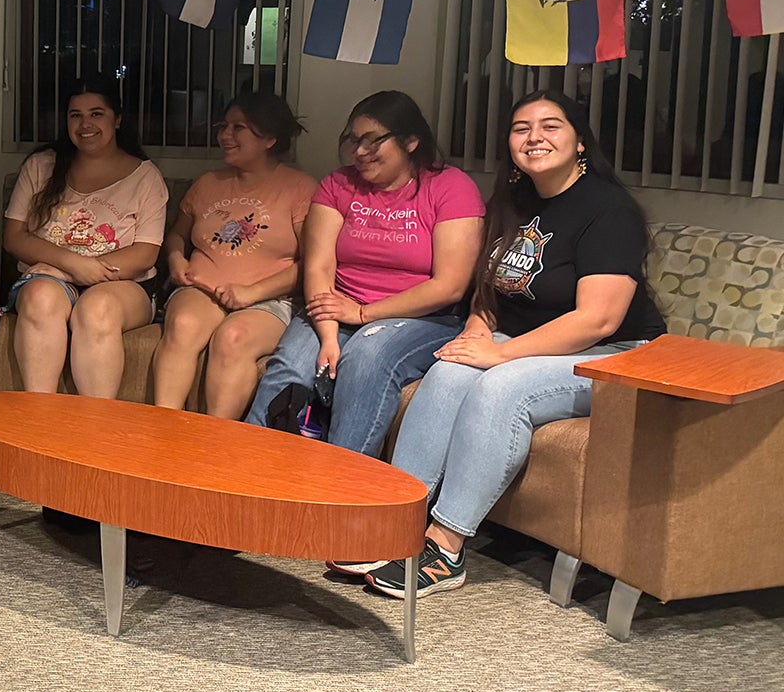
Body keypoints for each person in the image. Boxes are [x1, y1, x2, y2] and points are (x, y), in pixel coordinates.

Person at [352, 91, 666, 597]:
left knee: (502, 387)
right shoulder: (514, 200)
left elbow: (599, 319)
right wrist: (478, 327)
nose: (534, 137)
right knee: (450, 367)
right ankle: (395, 519)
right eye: (521, 128)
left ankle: (446, 546)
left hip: (615, 355)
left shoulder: (609, 209)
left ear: (580, 141)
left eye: (551, 126)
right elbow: (492, 288)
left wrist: (498, 353)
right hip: (530, 341)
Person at [244, 91, 485, 456]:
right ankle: (248, 478)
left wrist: (362, 314)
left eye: (373, 140)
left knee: (367, 356)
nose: (359, 152)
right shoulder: (338, 185)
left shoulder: (451, 187)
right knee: (291, 365)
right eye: (354, 141)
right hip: (336, 309)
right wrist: (327, 335)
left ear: (411, 141)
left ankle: (341, 488)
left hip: (422, 316)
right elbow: (320, 265)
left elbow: (449, 286)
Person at [151, 93, 317, 417]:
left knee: (234, 337)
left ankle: (216, 447)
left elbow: (313, 264)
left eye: (238, 128)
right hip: (201, 288)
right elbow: (176, 235)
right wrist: (176, 259)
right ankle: (162, 430)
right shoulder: (208, 183)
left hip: (271, 299)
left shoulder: (300, 188)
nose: (224, 136)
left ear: (269, 138)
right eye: (223, 126)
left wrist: (251, 292)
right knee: (183, 324)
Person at [4, 75, 169, 398]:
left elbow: (145, 255)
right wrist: (69, 264)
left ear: (117, 120)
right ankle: (39, 422)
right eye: (75, 115)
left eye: (97, 114)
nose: (85, 124)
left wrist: (73, 269)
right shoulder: (41, 166)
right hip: (47, 281)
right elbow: (14, 237)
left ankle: (93, 431)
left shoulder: (146, 177)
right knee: (41, 297)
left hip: (124, 286)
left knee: (97, 309)